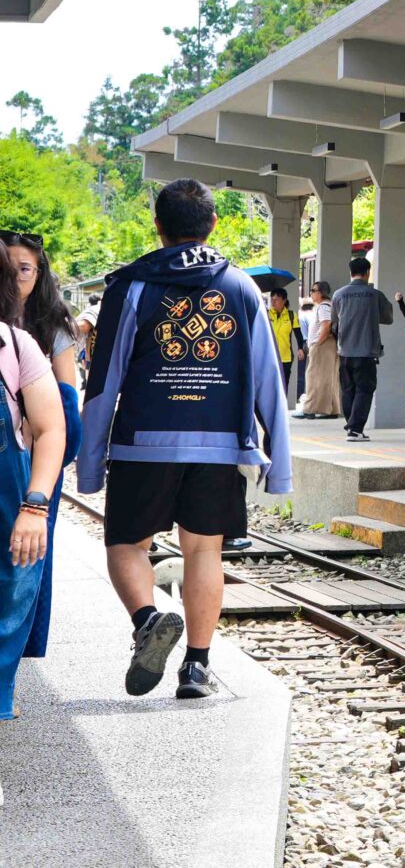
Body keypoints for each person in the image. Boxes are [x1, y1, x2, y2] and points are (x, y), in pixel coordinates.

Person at [78, 179, 291, 701]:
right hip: (219, 445)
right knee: (204, 552)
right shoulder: (241, 287)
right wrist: (278, 465)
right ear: (213, 223)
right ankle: (196, 667)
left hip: (142, 443)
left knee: (126, 543)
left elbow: (105, 379)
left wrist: (88, 463)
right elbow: (268, 379)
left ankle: (149, 619)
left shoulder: (129, 287)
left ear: (158, 225)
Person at [0, 233, 75, 668]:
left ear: (39, 273)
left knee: (29, 556)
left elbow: (65, 405)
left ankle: (25, 653)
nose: (14, 277)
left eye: (23, 268)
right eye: (7, 268)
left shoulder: (48, 327)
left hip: (32, 450)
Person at [328, 255, 394, 443]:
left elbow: (334, 322)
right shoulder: (374, 295)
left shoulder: (338, 295)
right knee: (365, 389)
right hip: (366, 351)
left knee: (348, 389)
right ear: (367, 273)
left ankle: (352, 426)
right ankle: (355, 429)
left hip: (345, 351)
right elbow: (388, 318)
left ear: (351, 272)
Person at [299, 280, 341, 420]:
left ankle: (310, 409)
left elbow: (326, 326)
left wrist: (317, 343)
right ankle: (332, 409)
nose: (311, 293)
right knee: (328, 378)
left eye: (313, 290)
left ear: (321, 292)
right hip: (328, 345)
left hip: (322, 346)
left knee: (314, 377)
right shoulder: (328, 306)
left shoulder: (323, 307)